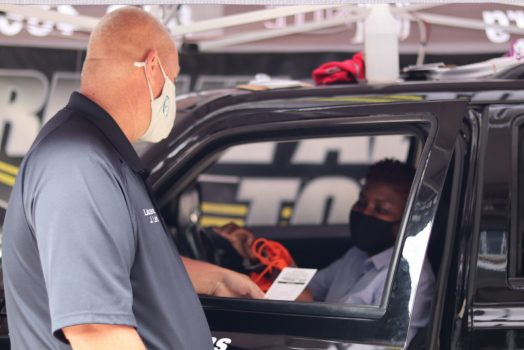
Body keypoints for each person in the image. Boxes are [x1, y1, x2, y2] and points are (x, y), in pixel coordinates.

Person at [2, 7, 262, 350]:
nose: (171, 90)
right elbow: (96, 331)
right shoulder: (79, 165)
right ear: (153, 68)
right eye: (174, 77)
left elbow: (116, 262)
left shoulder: (99, 156)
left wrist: (214, 278)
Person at [217, 159, 435, 344]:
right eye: (361, 202)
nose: (365, 213)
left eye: (381, 209)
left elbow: (384, 346)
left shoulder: (412, 278)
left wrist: (308, 309)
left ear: (408, 220)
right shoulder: (357, 256)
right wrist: (261, 255)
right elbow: (310, 289)